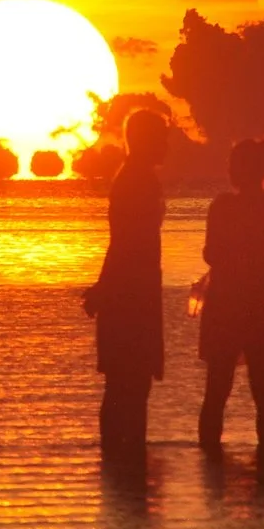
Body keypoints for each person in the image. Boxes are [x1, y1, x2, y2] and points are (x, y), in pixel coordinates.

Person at [196, 137, 264, 455]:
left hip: (226, 306)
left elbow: (212, 254)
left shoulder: (222, 206)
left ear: (238, 169)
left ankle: (210, 463)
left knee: (216, 392)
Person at [83, 108, 168, 461]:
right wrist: (105, 289)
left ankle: (123, 466)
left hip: (135, 290)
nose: (166, 144)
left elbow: (121, 242)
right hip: (132, 295)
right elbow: (124, 241)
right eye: (161, 137)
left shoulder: (136, 177)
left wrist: (104, 288)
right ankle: (125, 463)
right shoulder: (136, 181)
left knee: (127, 385)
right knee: (128, 385)